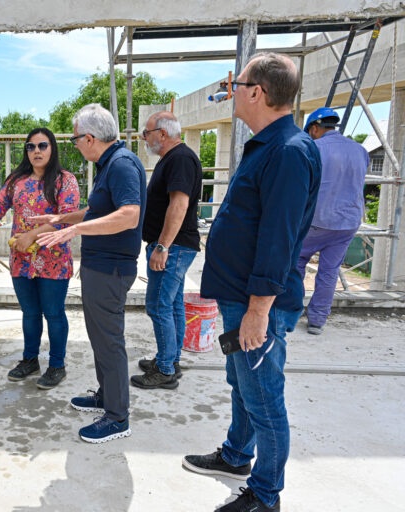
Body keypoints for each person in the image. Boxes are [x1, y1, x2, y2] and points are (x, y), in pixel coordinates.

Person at [183, 53, 321, 512]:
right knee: (243, 386)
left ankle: (265, 495)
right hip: (239, 296)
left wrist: (259, 310)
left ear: (257, 92)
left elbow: (278, 238)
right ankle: (237, 455)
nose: (231, 91)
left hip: (257, 301)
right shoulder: (268, 144)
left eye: (236, 84)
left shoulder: (288, 151)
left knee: (264, 399)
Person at [34, 103, 146, 443]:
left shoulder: (122, 165)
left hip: (111, 269)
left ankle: (117, 417)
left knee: (109, 341)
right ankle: (106, 396)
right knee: (100, 337)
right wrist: (61, 220)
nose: (75, 144)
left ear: (90, 137)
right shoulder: (108, 164)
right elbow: (96, 211)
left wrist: (74, 232)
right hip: (101, 267)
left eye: (75, 138)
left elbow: (129, 215)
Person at [0, 128, 80, 389]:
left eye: (42, 145)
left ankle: (57, 365)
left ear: (52, 149)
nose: (36, 151)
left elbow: (68, 219)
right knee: (29, 313)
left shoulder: (65, 181)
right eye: (31, 147)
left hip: (53, 261)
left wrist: (32, 236)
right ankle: (30, 360)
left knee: (54, 314)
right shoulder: (17, 180)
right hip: (22, 261)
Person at [132, 111, 202, 391]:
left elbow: (179, 205)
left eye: (146, 133)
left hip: (173, 247)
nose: (144, 138)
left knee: (158, 306)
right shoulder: (172, 159)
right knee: (171, 305)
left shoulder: (181, 159)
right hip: (176, 246)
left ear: (162, 133)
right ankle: (169, 360)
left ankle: (165, 370)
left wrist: (162, 246)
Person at [297, 107, 369, 335]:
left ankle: (291, 311)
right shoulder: (360, 150)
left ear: (315, 128)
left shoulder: (313, 149)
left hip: (317, 220)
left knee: (296, 264)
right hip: (348, 222)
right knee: (329, 270)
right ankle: (317, 320)